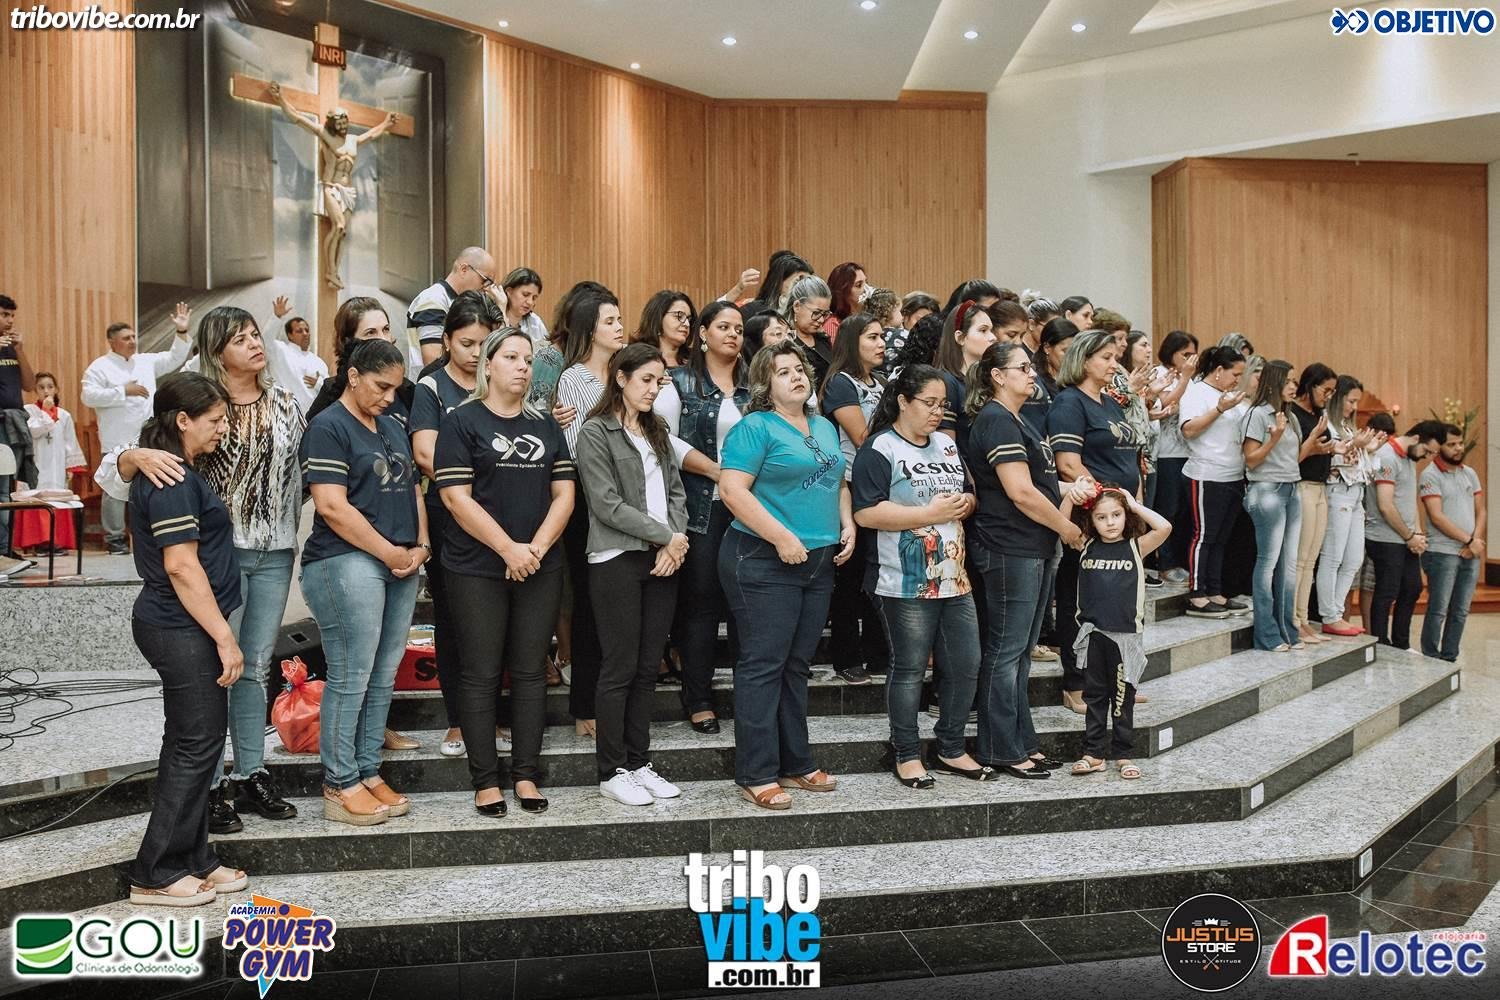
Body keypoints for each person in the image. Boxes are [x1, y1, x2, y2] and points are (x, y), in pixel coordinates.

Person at [100, 305, 308, 832]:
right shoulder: (196, 404)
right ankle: (210, 786)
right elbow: (122, 466)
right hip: (219, 555)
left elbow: (304, 472)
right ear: (216, 352)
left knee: (255, 667)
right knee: (221, 665)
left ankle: (251, 773)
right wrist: (132, 457)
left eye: (257, 334)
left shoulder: (286, 402)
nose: (255, 344)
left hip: (275, 551)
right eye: (241, 338)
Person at [435, 327, 575, 816]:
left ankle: (526, 775)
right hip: (476, 566)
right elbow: (456, 498)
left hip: (540, 563)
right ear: (488, 365)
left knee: (531, 671)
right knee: (481, 673)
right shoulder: (461, 421)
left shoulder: (546, 426)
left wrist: (534, 549)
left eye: (528, 359)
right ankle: (485, 781)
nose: (522, 366)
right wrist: (507, 549)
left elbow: (565, 495)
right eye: (511, 357)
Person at [124, 371, 248, 906]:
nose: (222, 429)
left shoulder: (176, 469)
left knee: (196, 743)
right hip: (179, 625)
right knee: (196, 745)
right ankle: (155, 872)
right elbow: (180, 566)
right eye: (215, 420)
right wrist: (225, 637)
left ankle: (194, 857)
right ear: (182, 421)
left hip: (183, 623)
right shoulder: (172, 480)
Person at [719, 340, 855, 810]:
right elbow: (732, 491)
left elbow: (837, 480)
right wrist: (780, 536)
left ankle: (796, 761)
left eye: (800, 369)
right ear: (764, 383)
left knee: (797, 665)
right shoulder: (754, 427)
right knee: (763, 665)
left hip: (817, 560)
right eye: (783, 372)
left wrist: (847, 523)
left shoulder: (823, 425)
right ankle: (756, 772)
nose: (797, 376)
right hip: (762, 559)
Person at [301, 339, 428, 826]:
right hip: (345, 560)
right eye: (380, 386)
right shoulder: (328, 426)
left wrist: (420, 546)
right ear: (353, 376)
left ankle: (368, 770)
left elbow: (414, 488)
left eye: (395, 388)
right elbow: (332, 506)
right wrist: (389, 552)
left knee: (383, 672)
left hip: (400, 559)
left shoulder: (392, 424)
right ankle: (339, 782)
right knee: (351, 673)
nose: (389, 397)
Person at [853, 363, 986, 788]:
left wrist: (965, 503)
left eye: (942, 404)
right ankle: (907, 753)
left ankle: (951, 746)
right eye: (928, 403)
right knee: (910, 667)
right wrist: (928, 513)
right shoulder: (880, 448)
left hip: (953, 575)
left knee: (966, 663)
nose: (937, 412)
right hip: (903, 579)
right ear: (903, 401)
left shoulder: (946, 443)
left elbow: (969, 492)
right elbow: (866, 512)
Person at [575, 343, 690, 805]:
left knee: (646, 669)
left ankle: (639, 762)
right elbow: (606, 504)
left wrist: (676, 540)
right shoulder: (595, 432)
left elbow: (677, 492)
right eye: (645, 380)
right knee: (619, 667)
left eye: (659, 381)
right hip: (617, 557)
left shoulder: (657, 428)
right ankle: (612, 769)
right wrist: (665, 536)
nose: (653, 389)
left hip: (663, 557)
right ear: (620, 378)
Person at [966, 343, 1088, 777]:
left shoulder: (1020, 419)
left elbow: (1042, 484)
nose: (1032, 372)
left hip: (1033, 545)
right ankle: (1000, 748)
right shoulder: (997, 420)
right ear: (997, 376)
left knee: (1019, 655)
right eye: (1022, 367)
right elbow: (1020, 492)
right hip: (1008, 547)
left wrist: (1072, 495)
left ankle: (1021, 742)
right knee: (1006, 651)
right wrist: (1066, 528)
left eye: (1031, 366)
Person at [410, 291, 502, 758]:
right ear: (446, 340)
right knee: (453, 620)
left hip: (503, 517)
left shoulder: (500, 380)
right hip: (450, 514)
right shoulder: (431, 387)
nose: (476, 353)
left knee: (499, 621)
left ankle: (493, 717)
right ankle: (458, 721)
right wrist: (479, 482)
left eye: (484, 344)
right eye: (467, 344)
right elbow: (425, 453)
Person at [663, 302, 749, 734]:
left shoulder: (757, 385)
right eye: (724, 326)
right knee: (701, 604)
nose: (733, 334)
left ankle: (750, 696)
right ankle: (698, 698)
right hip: (703, 506)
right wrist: (717, 471)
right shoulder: (678, 381)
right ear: (703, 333)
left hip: (751, 508)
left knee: (746, 604)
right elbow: (663, 438)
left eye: (739, 328)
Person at [1049, 331, 1145, 713]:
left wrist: (1134, 508)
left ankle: (1117, 681)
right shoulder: (1069, 403)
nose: (1113, 364)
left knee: (1117, 602)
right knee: (1082, 601)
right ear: (1083, 359)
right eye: (1105, 357)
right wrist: (1104, 504)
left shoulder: (1109, 403)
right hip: (1093, 516)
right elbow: (1068, 464)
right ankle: (1077, 682)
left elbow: (1129, 458)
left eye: (1114, 357)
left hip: (1121, 515)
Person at [555, 289, 626, 738]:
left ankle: (612, 702)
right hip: (589, 500)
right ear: (589, 329)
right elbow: (582, 449)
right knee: (589, 604)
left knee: (617, 608)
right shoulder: (574, 379)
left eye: (619, 319)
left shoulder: (624, 372)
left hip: (629, 499)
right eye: (609, 321)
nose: (619, 327)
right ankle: (585, 707)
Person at [1066, 485, 1171, 781]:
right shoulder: (1085, 544)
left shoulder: (1137, 546)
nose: (1110, 522)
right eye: (1101, 517)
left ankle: (1124, 753)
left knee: (1122, 699)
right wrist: (1070, 498)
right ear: (1091, 520)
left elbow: (1164, 527)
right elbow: (1063, 528)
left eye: (1116, 515)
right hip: (1093, 635)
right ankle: (1094, 753)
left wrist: (1135, 505)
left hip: (1126, 637)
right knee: (1095, 696)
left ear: (1126, 516)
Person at [81, 308, 193, 554]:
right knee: (114, 489)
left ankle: (149, 537)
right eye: (126, 338)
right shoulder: (99, 367)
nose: (132, 341)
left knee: (149, 487)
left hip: (147, 439)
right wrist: (123, 391)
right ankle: (115, 539)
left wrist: (181, 330)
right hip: (117, 438)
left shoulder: (144, 361)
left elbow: (174, 358)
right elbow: (88, 396)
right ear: (112, 342)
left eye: (133, 337)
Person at [821, 313, 888, 684]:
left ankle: (878, 652)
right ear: (852, 342)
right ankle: (846, 656)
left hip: (881, 487)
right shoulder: (840, 383)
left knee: (878, 573)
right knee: (849, 577)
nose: (881, 344)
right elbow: (863, 437)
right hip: (849, 485)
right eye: (872, 337)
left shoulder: (881, 381)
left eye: (882, 336)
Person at [1178, 346, 1250, 619]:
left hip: (1233, 474)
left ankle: (1215, 591)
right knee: (1204, 536)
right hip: (1206, 474)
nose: (1237, 380)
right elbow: (1188, 430)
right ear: (1219, 370)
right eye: (1235, 374)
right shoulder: (1197, 392)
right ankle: (1197, 594)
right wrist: (1219, 409)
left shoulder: (1231, 397)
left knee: (1221, 538)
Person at [1241, 361, 1305, 651]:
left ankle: (1288, 631)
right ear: (1274, 382)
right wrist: (1274, 438)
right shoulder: (1257, 414)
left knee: (1288, 565)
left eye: (1295, 381)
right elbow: (1251, 460)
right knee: (1268, 563)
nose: (1293, 386)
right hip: (1267, 490)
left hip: (1292, 487)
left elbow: (1292, 457)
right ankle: (1266, 635)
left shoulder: (1289, 415)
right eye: (1288, 381)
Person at [1365, 420, 1445, 649]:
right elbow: (1385, 505)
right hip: (1385, 537)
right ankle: (1380, 644)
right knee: (1387, 590)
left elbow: (1408, 501)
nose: (1427, 457)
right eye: (1427, 451)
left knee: (1412, 588)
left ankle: (1401, 645)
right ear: (1416, 438)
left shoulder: (1409, 457)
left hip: (1405, 537)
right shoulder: (1387, 456)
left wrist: (1417, 534)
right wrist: (1410, 536)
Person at [1316, 376, 1382, 637]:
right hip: (1337, 492)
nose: (1354, 407)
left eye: (1356, 402)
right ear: (1337, 397)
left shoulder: (1347, 426)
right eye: (1351, 401)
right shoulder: (1326, 423)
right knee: (1333, 556)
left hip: (1356, 493)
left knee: (1354, 559)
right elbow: (1326, 459)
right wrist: (1356, 446)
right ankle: (1329, 615)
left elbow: (1363, 465)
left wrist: (1370, 449)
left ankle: (1337, 610)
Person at [1419, 423, 1485, 661]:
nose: (1458, 448)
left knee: (1461, 610)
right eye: (1451, 444)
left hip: (1471, 551)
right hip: (1442, 552)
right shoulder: (1430, 475)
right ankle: (1430, 655)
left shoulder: (1470, 473)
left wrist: (1475, 542)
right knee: (1438, 609)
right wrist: (1469, 540)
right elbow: (1437, 517)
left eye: (1460, 443)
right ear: (1439, 447)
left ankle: (1449, 657)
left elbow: (1481, 511)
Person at [307, 297, 417, 432]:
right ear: (347, 341)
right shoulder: (331, 392)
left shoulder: (407, 391)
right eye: (370, 332)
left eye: (386, 329)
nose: (383, 339)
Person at [1290, 363, 1339, 644]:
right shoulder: (1293, 413)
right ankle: (1293, 620)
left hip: (1321, 488)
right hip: (1302, 486)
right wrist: (1313, 448)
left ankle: (1304, 618)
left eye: (1332, 392)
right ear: (1310, 385)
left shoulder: (1319, 414)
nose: (1328, 396)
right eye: (1326, 390)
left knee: (1311, 560)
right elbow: (1292, 456)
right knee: (1299, 559)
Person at [15, 373, 85, 554]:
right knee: (36, 495)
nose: (46, 391)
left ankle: (56, 541)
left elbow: (70, 442)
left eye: (50, 387)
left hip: (56, 466)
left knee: (57, 497)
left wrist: (70, 466)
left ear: (56, 389)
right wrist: (46, 413)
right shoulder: (29, 411)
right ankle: (39, 541)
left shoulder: (64, 415)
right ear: (35, 390)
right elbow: (33, 431)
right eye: (41, 387)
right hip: (36, 463)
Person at [1150, 331, 1198, 584]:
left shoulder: (1193, 380)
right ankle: (1165, 563)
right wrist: (1185, 379)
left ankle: (1182, 560)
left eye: (1193, 355)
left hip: (1190, 452)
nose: (1190, 360)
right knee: (1168, 508)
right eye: (1185, 354)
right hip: (1166, 452)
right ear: (1171, 352)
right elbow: (1165, 404)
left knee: (1186, 511)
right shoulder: (1159, 373)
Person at [405, 246, 503, 370]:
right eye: (485, 280)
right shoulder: (433, 300)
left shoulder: (467, 302)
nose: (486, 287)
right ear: (463, 269)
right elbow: (433, 360)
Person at [934, 300, 998, 454]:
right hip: (965, 466)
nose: (993, 337)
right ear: (960, 337)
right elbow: (947, 448)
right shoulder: (947, 382)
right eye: (983, 330)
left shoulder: (988, 379)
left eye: (992, 330)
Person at [0, 294, 37, 551]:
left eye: (12, 315)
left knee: (7, 489)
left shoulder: (12, 347)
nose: (10, 320)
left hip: (12, 424)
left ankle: (5, 549)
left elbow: (29, 384)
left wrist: (21, 351)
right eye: (4, 315)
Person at [781, 275, 836, 389]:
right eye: (816, 313)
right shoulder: (785, 341)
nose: (821, 320)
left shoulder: (823, 339)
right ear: (797, 306)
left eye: (825, 314)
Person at [278, 313, 329, 414]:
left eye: (307, 330)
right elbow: (266, 341)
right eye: (299, 331)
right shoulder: (281, 352)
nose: (305, 334)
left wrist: (318, 384)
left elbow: (330, 390)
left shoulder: (318, 362)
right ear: (290, 335)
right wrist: (277, 318)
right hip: (286, 414)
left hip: (313, 417)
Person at [500, 267, 547, 344]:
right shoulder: (493, 320)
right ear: (509, 291)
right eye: (525, 294)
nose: (530, 302)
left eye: (534, 298)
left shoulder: (535, 322)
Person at [823, 262, 867, 338]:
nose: (866, 289)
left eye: (866, 283)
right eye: (859, 285)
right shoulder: (833, 325)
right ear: (843, 291)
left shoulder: (866, 318)